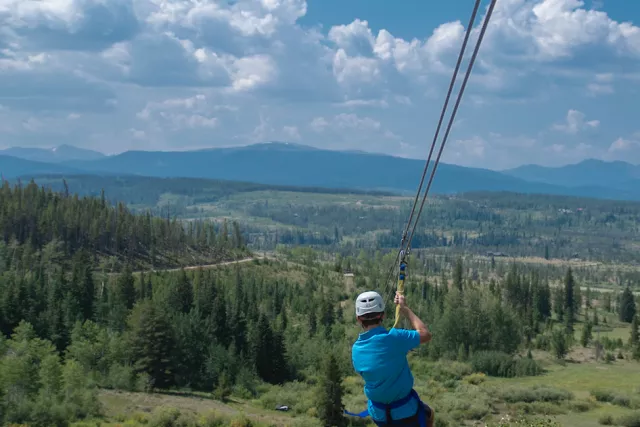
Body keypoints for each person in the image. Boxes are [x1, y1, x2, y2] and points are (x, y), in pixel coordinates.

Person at [350, 290, 433, 427]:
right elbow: (425, 334)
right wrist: (405, 309)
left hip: (379, 414)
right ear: (383, 315)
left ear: (359, 319)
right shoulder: (395, 338)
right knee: (429, 415)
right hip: (406, 411)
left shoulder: (356, 350)